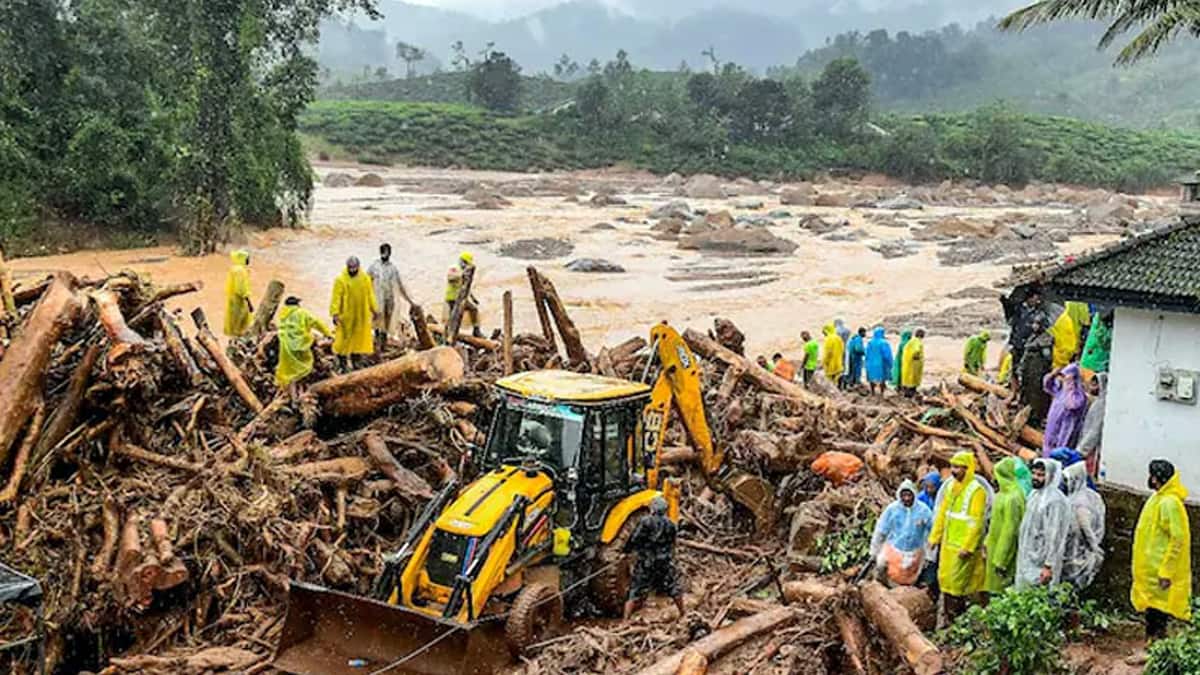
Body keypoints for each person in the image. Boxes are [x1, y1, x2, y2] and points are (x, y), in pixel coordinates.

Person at [1130, 460, 1191, 649]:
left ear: (1158, 479)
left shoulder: (1169, 503)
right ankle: (1151, 646)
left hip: (1159, 572)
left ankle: (1154, 649)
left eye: (1152, 476)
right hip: (1150, 571)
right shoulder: (1158, 498)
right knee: (1152, 609)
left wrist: (1166, 571)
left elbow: (1178, 539)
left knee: (1158, 612)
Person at [928, 452, 988, 624]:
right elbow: (942, 514)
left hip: (963, 547)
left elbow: (976, 523)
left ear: (967, 468)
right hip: (948, 545)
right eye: (952, 467)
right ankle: (948, 619)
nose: (953, 471)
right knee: (946, 580)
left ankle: (960, 619)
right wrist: (935, 537)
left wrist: (968, 547)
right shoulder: (950, 487)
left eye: (957, 467)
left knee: (959, 584)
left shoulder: (977, 491)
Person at [623, 496, 686, 620]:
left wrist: (627, 551)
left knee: (635, 589)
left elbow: (635, 538)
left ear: (652, 509)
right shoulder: (671, 524)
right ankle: (683, 613)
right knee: (673, 587)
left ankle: (625, 620)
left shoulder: (646, 521)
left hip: (647, 562)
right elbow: (673, 543)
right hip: (664, 562)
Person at [1015, 458, 1070, 589]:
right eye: (1034, 473)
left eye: (1040, 475)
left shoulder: (1055, 500)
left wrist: (1048, 565)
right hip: (1028, 554)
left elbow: (1055, 534)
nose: (1035, 478)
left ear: (1050, 476)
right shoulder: (1034, 495)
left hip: (1042, 559)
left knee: (1041, 597)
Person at [870, 480, 934, 586]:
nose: (907, 499)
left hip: (915, 551)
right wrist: (874, 551)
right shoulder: (892, 509)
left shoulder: (924, 511)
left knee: (910, 577)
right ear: (899, 496)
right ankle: (881, 584)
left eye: (909, 495)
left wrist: (930, 555)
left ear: (914, 495)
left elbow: (933, 532)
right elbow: (880, 530)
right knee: (881, 564)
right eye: (904, 495)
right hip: (894, 548)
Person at [983, 457, 1026, 594]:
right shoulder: (1002, 494)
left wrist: (1001, 560)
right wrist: (987, 542)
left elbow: (1010, 531)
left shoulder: (1013, 497)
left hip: (1003, 555)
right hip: (994, 549)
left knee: (1002, 592)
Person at [1062, 462, 1105, 591]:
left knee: (1072, 584)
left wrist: (1094, 548)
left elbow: (1085, 526)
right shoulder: (1092, 495)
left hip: (1078, 550)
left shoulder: (1078, 501)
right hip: (1082, 547)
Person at [330, 256, 378, 372]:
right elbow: (336, 298)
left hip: (361, 316)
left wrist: (375, 309)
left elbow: (370, 295)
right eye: (350, 268)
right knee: (343, 341)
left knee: (358, 341)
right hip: (345, 316)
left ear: (358, 267)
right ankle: (342, 363)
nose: (352, 270)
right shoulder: (340, 280)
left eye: (354, 268)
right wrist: (335, 313)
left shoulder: (365, 279)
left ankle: (356, 363)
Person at [275, 297, 332, 390]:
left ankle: (285, 385)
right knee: (306, 364)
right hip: (301, 343)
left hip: (285, 344)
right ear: (296, 304)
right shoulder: (301, 313)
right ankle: (302, 382)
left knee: (286, 367)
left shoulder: (282, 315)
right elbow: (317, 323)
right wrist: (328, 333)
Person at [367, 243, 413, 354]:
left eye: (387, 252)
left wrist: (410, 301)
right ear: (380, 252)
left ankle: (382, 346)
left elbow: (401, 285)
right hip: (377, 300)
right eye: (383, 252)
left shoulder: (393, 269)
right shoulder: (374, 267)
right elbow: (366, 282)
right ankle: (377, 346)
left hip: (389, 300)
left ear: (390, 253)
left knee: (386, 324)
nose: (385, 254)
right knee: (377, 323)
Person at [1042, 364, 1089, 456]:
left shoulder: (1079, 394)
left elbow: (1071, 405)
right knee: (1048, 447)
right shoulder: (1060, 390)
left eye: (1066, 377)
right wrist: (1053, 374)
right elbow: (1047, 386)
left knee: (1060, 451)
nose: (1064, 379)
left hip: (1065, 429)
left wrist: (1070, 386)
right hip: (1053, 425)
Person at [1018, 320, 1054, 426]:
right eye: (1034, 323)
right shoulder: (1032, 336)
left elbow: (1048, 358)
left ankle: (1036, 417)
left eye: (1037, 324)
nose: (1034, 326)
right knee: (1027, 393)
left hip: (1037, 371)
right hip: (1029, 370)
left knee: (1037, 395)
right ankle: (1027, 414)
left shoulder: (1046, 338)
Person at [444, 251, 483, 339]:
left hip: (461, 298)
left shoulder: (464, 270)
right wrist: (461, 275)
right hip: (452, 297)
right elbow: (451, 278)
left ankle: (476, 330)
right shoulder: (455, 268)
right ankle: (450, 334)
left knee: (474, 309)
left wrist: (473, 298)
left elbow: (466, 286)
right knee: (453, 317)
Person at [1005, 289, 1046, 366]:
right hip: (1017, 340)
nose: (1037, 302)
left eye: (1038, 300)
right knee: (1014, 362)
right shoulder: (1018, 309)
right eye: (1035, 299)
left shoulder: (1039, 312)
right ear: (1029, 298)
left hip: (1028, 343)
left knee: (1024, 363)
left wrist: (1038, 327)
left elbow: (1041, 327)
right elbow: (1012, 321)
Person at [1078, 373, 1107, 478]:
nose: (1092, 387)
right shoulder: (1098, 402)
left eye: (1095, 384)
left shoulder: (1101, 405)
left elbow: (1095, 430)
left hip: (1090, 449)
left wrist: (1082, 450)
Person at [223, 250, 254, 337]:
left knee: (233, 322)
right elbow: (241, 288)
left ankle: (233, 341)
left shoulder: (234, 269)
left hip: (232, 299)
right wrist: (249, 302)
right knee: (240, 324)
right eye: (247, 258)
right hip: (239, 302)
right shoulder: (240, 271)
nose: (249, 260)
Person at [865, 327, 893, 397]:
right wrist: (890, 363)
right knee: (882, 378)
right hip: (881, 363)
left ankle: (872, 392)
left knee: (871, 377)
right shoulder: (884, 343)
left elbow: (866, 353)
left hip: (871, 363)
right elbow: (887, 355)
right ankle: (881, 393)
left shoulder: (870, 342)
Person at [900, 329, 926, 396]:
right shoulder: (917, 341)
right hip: (914, 364)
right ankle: (911, 393)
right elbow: (916, 350)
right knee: (913, 378)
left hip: (907, 363)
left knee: (907, 378)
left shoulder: (911, 341)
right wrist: (916, 357)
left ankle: (906, 392)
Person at [834, 319, 851, 386]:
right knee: (844, 365)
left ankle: (839, 383)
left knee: (838, 365)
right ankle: (844, 383)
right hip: (845, 347)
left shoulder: (836, 331)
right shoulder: (847, 330)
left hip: (838, 349)